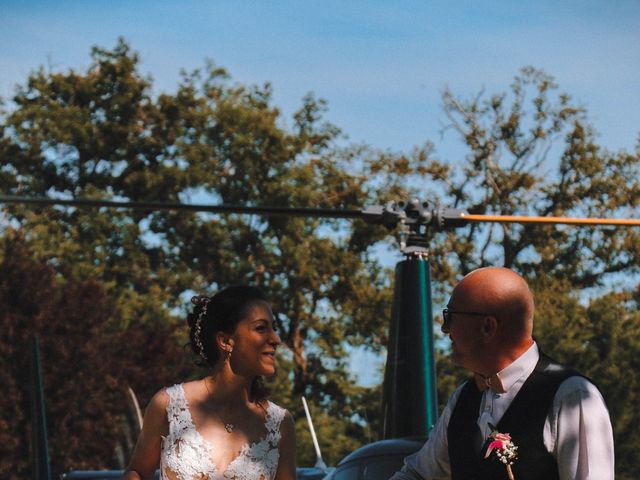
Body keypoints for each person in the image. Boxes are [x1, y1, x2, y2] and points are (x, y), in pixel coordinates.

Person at [391, 267, 614, 480]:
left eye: (450, 317)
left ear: (488, 326)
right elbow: (418, 474)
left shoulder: (572, 396)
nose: (445, 329)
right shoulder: (463, 398)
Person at [121, 285, 297, 480]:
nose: (276, 339)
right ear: (225, 341)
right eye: (261, 328)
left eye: (274, 328)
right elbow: (136, 472)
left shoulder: (280, 423)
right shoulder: (170, 405)